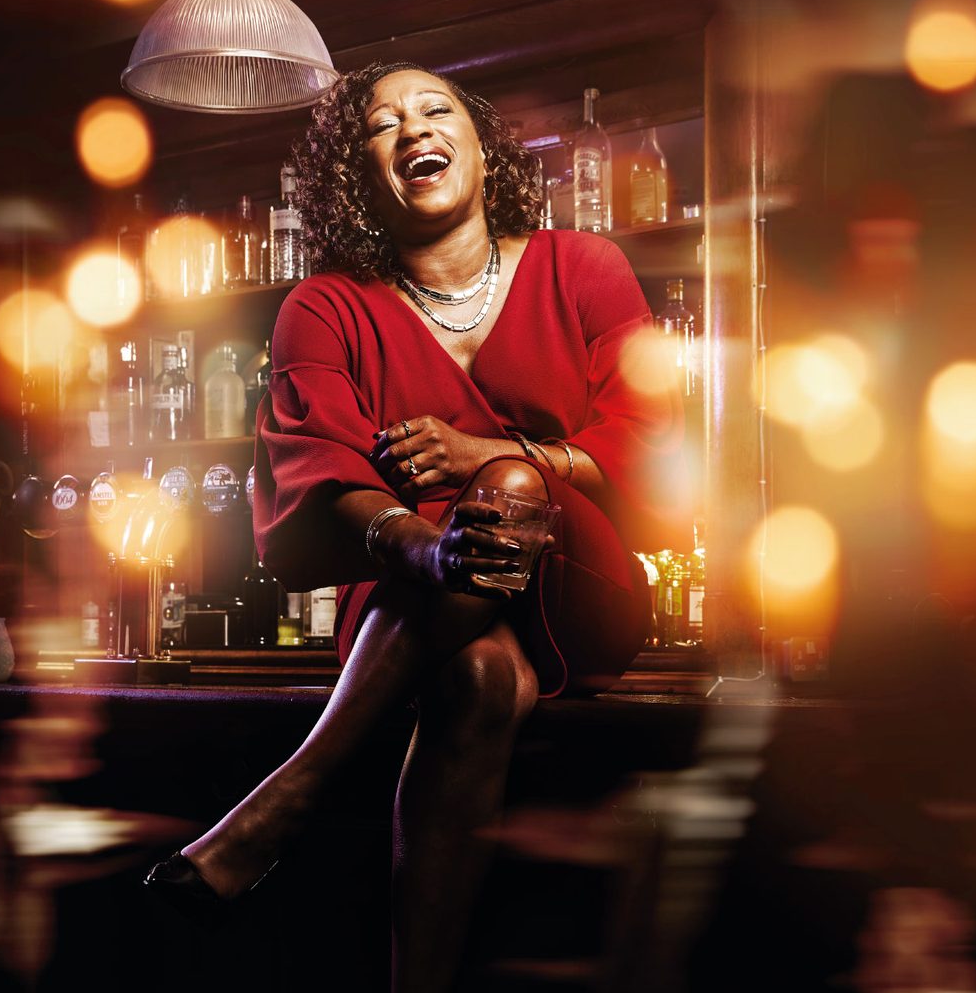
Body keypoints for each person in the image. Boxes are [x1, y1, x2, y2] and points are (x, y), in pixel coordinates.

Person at [142, 61, 684, 990]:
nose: (412, 130)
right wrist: (428, 549)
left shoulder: (584, 267)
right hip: (406, 597)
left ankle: (287, 796)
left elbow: (649, 443)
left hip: (579, 580)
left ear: (482, 146)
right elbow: (317, 468)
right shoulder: (324, 306)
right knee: (476, 676)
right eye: (381, 126)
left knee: (513, 478)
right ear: (358, 174)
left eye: (436, 110)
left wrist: (492, 458)